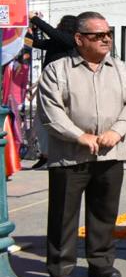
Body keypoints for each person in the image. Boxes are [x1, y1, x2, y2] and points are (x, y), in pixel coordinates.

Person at [38, 11, 126, 277]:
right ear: (79, 39)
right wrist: (79, 135)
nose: (106, 39)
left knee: (104, 212)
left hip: (110, 153)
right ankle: (59, 271)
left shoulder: (120, 69)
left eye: (108, 33)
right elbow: (51, 111)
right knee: (63, 215)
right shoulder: (57, 70)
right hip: (70, 155)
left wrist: (117, 131)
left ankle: (101, 263)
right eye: (98, 35)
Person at [28, 13, 78, 168]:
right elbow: (36, 43)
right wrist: (34, 29)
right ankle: (45, 154)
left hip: (62, 86)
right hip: (48, 84)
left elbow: (54, 33)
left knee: (60, 119)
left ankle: (58, 154)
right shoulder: (57, 42)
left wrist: (35, 19)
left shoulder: (71, 41)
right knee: (42, 121)